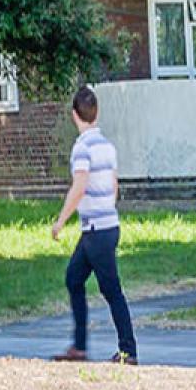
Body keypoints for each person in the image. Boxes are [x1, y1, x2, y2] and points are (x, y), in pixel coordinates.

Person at [49, 83, 137, 365]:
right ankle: (79, 347)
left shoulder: (82, 147)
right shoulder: (107, 147)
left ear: (75, 115)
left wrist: (60, 221)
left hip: (97, 231)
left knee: (111, 290)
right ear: (95, 114)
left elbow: (80, 186)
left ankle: (128, 350)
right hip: (103, 228)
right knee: (74, 278)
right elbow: (114, 185)